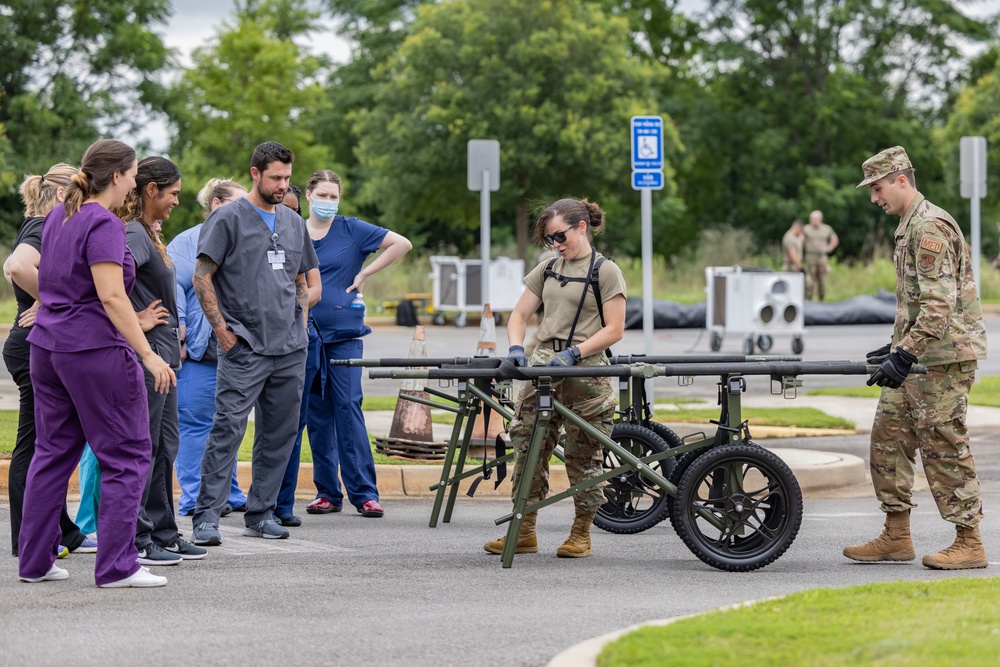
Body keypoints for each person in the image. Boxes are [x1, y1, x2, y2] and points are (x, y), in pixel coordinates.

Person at [18, 138, 175, 587]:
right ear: (120, 176)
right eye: (133, 174)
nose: (135, 181)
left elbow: (52, 281)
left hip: (47, 349)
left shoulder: (56, 218)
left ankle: (35, 562)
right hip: (93, 353)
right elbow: (110, 295)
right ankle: (117, 566)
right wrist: (147, 354)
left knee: (51, 455)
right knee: (126, 455)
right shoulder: (103, 223)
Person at [844, 146, 988, 570]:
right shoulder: (909, 226)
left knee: (944, 446)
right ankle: (896, 535)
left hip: (942, 361)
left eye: (877, 187)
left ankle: (969, 542)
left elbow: (939, 305)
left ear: (901, 180)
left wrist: (904, 353)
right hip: (918, 357)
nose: (874, 198)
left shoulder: (930, 227)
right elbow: (915, 302)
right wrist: (895, 348)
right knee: (887, 439)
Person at [190, 141, 319, 546]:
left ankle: (261, 513)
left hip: (289, 349)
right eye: (275, 177)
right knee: (227, 430)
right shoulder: (228, 218)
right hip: (244, 346)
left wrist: (300, 323)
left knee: (279, 434)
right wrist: (223, 332)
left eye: (287, 177)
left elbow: (301, 279)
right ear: (255, 173)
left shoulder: (293, 221)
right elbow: (201, 276)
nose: (283, 185)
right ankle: (206, 516)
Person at [484, 197, 626, 559]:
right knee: (529, 444)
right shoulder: (548, 268)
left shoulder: (605, 271)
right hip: (544, 364)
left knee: (584, 454)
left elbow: (615, 330)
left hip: (586, 369)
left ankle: (581, 533)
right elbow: (518, 315)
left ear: (582, 227)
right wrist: (517, 349)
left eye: (559, 236)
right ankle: (525, 530)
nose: (555, 245)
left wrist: (576, 352)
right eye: (549, 239)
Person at [301, 170, 412, 519]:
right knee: (317, 415)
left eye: (334, 196)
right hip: (305, 335)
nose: (328, 202)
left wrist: (365, 273)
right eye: (322, 195)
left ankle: (364, 493)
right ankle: (327, 493)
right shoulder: (293, 230)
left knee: (348, 407)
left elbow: (402, 243)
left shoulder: (351, 229)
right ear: (308, 195)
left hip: (345, 336)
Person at [117, 156, 207, 565]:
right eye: (172, 194)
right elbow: (108, 284)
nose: (175, 202)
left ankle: (165, 532)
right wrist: (135, 318)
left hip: (165, 360)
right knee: (146, 447)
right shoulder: (133, 232)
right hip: (147, 357)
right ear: (151, 190)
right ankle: (140, 538)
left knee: (165, 445)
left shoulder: (148, 233)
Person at [3, 163, 95, 558]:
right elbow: (18, 266)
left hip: (38, 341)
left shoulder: (47, 226)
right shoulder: (42, 226)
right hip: (32, 344)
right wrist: (55, 299)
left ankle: (61, 531)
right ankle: (31, 539)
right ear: (62, 194)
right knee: (38, 443)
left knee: (49, 442)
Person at [168, 178, 250, 519]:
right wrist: (181, 339)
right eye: (239, 204)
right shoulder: (187, 242)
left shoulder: (246, 240)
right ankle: (193, 497)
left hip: (237, 351)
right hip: (199, 352)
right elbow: (174, 289)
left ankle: (227, 493)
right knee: (194, 425)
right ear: (217, 204)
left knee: (227, 425)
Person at [274, 184, 322, 527]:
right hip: (259, 342)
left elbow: (313, 286)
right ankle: (256, 500)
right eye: (284, 209)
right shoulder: (256, 236)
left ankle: (282, 504)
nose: (290, 216)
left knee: (292, 426)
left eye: (295, 211)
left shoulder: (299, 239)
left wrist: (291, 309)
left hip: (299, 340)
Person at [802, 210, 838, 300]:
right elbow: (800, 240)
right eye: (811, 219)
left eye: (814, 219)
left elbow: (834, 239)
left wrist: (829, 248)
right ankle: (809, 300)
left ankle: (821, 300)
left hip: (822, 257)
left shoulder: (826, 228)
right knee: (809, 281)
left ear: (820, 219)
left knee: (822, 280)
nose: (812, 221)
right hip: (810, 257)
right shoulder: (806, 229)